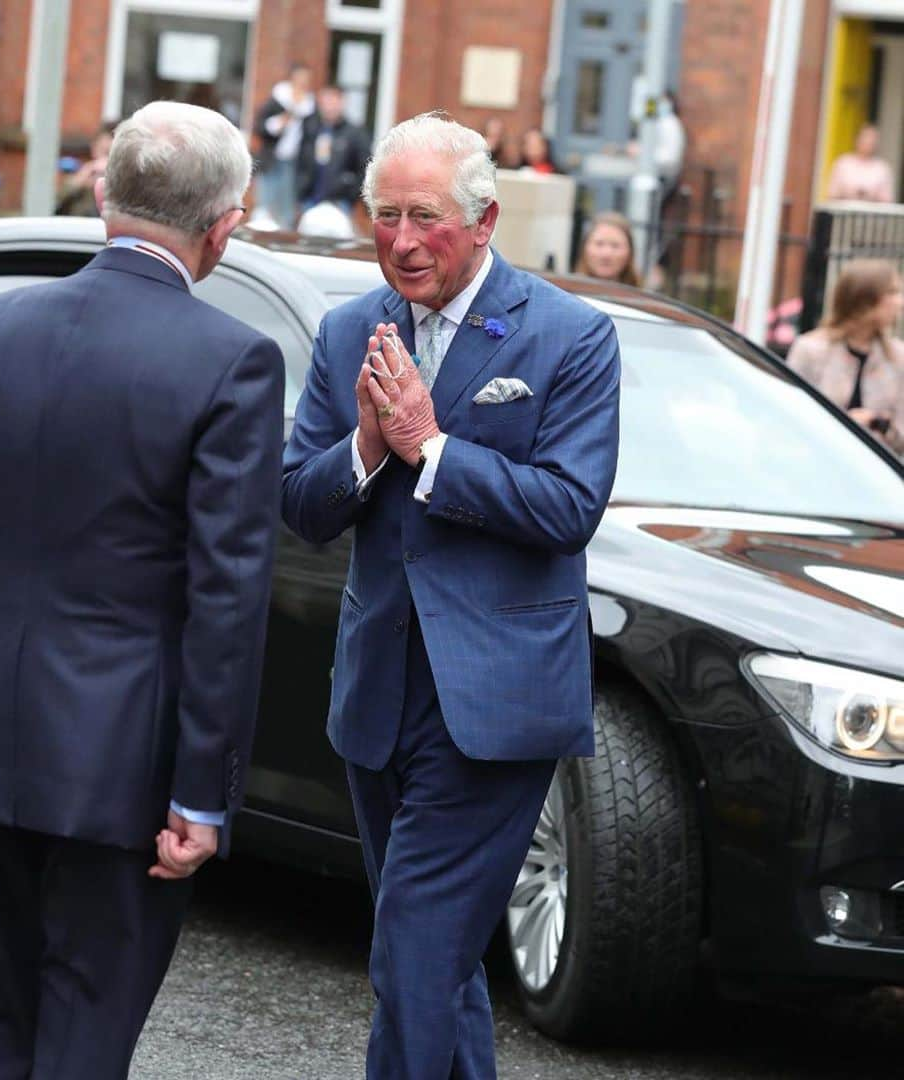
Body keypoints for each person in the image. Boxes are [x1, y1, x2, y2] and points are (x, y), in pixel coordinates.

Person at [0, 101, 285, 1078]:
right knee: (82, 1042)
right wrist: (202, 793)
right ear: (223, 227)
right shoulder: (232, 360)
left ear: (104, 195)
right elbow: (225, 598)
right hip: (126, 768)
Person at [282, 111, 620, 1079]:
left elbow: (569, 507)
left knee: (414, 953)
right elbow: (300, 505)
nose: (401, 240)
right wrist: (365, 448)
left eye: (424, 217)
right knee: (438, 960)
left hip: (498, 698)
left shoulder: (572, 336)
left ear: (484, 220)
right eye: (383, 216)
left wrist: (432, 448)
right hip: (380, 694)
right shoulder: (351, 328)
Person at [787, 259, 904, 453]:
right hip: (816, 461)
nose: (900, 302)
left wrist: (880, 426)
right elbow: (790, 417)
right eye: (892, 292)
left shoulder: (898, 357)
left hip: (874, 471)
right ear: (865, 300)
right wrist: (846, 423)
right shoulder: (810, 350)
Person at [254, 62, 314, 229]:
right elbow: (260, 127)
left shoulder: (309, 105)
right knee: (265, 204)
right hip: (272, 160)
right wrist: (281, 121)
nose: (303, 82)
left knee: (287, 208)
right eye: (300, 77)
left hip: (294, 162)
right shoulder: (278, 99)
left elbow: (310, 137)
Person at [295, 84, 370, 215]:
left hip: (339, 202)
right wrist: (301, 190)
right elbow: (301, 161)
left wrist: (351, 193)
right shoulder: (311, 129)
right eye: (324, 102)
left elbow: (365, 167)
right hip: (310, 200)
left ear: (341, 103)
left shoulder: (354, 133)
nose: (328, 107)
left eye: (332, 102)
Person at [56, 119, 116, 217]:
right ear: (94, 149)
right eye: (105, 152)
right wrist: (80, 181)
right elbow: (55, 206)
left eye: (113, 154)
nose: (106, 161)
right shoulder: (83, 178)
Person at [826, 124, 895, 203]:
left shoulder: (882, 168)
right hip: (844, 211)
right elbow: (832, 194)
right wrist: (850, 194)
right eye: (865, 139)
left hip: (871, 213)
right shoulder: (843, 163)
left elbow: (887, 200)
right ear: (857, 140)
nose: (868, 143)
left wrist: (870, 196)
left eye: (872, 141)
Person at [574, 210, 642, 287]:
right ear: (584, 248)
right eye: (599, 244)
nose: (606, 254)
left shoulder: (642, 297)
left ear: (630, 252)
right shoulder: (566, 294)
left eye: (615, 245)